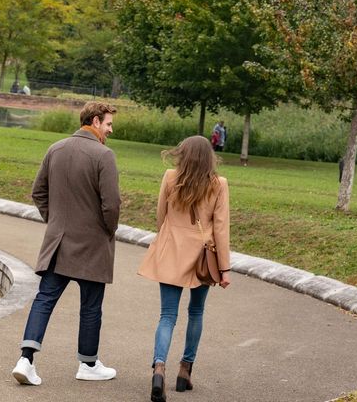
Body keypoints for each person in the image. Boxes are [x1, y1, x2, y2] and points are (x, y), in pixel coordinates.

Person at [12, 101, 121, 387]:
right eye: (108, 124)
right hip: (93, 244)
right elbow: (112, 205)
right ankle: (88, 363)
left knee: (44, 299)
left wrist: (55, 221)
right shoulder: (104, 155)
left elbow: (38, 192)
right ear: (96, 121)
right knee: (91, 307)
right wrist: (108, 231)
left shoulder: (56, 148)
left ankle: (26, 359)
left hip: (58, 243)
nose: (110, 130)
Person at [138, 136, 231, 402]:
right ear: (209, 157)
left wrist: (168, 240)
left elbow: (161, 216)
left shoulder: (170, 177)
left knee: (167, 315)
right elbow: (221, 228)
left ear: (183, 154)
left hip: (171, 250)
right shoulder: (219, 185)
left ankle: (158, 368)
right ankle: (185, 370)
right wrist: (224, 269)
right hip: (203, 256)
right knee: (196, 311)